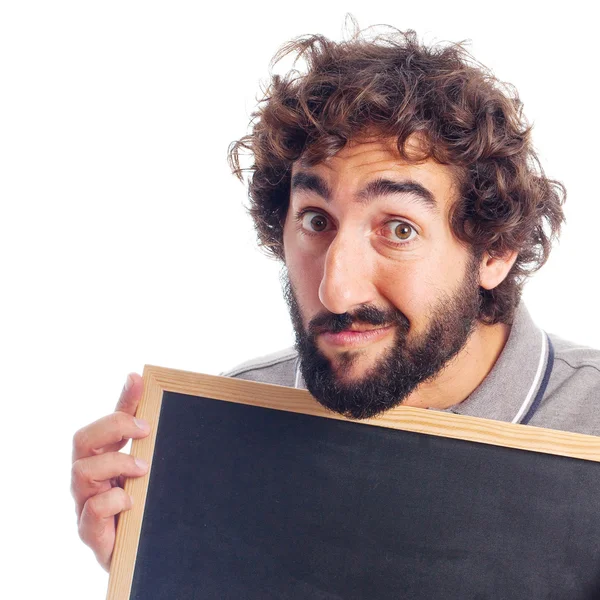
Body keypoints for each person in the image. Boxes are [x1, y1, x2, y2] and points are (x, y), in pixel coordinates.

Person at [71, 26, 600, 570]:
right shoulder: (234, 429)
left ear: (495, 251)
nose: (335, 289)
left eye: (398, 229)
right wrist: (156, 567)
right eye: (316, 220)